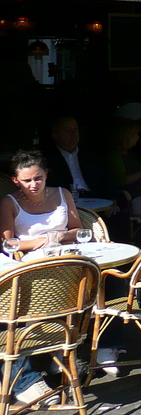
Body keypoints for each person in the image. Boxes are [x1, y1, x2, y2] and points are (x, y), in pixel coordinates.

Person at [1, 150, 92, 402]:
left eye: (38, 178)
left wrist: (59, 238)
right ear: (16, 181)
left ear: (46, 175)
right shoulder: (9, 202)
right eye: (27, 180)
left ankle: (84, 351)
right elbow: (9, 244)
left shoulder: (62, 194)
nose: (34, 184)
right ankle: (34, 373)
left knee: (99, 281)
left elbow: (76, 229)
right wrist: (42, 241)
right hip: (31, 267)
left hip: (66, 257)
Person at [43, 115, 95, 195]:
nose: (73, 133)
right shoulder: (47, 158)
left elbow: (105, 181)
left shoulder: (91, 155)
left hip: (94, 198)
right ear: (55, 135)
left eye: (76, 129)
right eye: (68, 130)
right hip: (65, 199)